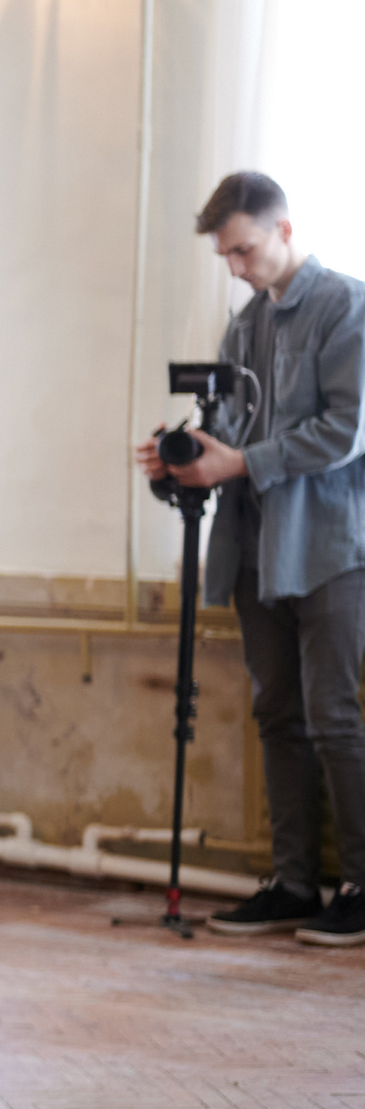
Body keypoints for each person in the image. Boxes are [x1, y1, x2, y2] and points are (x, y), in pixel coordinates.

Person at [147, 172, 365, 949]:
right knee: (277, 714)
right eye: (226, 257)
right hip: (255, 552)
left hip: (330, 549)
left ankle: (360, 888)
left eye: (243, 250)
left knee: (334, 716)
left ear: (284, 230)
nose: (236, 268)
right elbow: (229, 432)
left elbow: (345, 431)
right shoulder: (243, 328)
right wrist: (182, 454)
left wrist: (236, 462)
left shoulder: (348, 307)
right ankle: (293, 882)